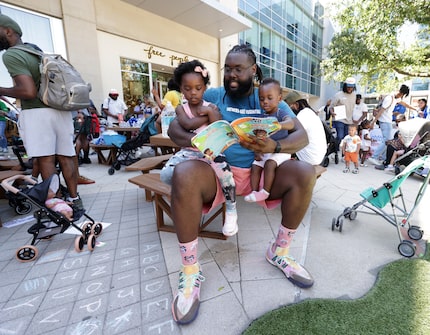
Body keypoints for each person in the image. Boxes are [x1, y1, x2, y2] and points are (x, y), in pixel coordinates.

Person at [167, 44, 316, 324]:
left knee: (305, 172)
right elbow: (174, 128)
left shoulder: (268, 97)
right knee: (184, 173)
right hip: (216, 173)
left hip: (261, 172)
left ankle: (279, 252)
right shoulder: (210, 95)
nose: (231, 75)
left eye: (238, 69)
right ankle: (190, 271)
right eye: (227, 68)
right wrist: (200, 142)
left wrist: (275, 144)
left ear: (253, 71)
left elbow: (301, 135)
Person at [0, 14, 84, 215]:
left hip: (37, 112)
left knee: (46, 160)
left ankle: (56, 205)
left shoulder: (11, 55)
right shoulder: (36, 51)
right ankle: (75, 200)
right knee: (67, 157)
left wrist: (2, 90)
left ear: (8, 31)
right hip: (60, 111)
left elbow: (28, 91)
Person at [159, 60, 239, 237]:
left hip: (211, 152)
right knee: (165, 174)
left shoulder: (211, 106)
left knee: (227, 175)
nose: (193, 92)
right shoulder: (182, 108)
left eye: (198, 88)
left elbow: (218, 124)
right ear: (181, 89)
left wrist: (211, 113)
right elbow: (187, 124)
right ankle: (182, 192)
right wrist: (208, 114)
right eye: (187, 88)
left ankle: (232, 208)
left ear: (204, 88)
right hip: (189, 152)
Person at [243, 78, 294, 203]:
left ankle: (265, 192)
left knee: (269, 164)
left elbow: (291, 123)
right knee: (255, 165)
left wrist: (280, 125)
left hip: (280, 152)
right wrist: (257, 151)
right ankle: (254, 191)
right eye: (261, 99)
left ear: (279, 98)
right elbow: (259, 137)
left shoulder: (280, 114)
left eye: (269, 98)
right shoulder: (262, 117)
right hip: (266, 151)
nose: (265, 102)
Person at [368, 84, 416, 166]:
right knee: (387, 141)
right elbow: (381, 111)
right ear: (400, 91)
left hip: (388, 121)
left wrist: (414, 108)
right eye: (401, 94)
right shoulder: (389, 98)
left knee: (389, 141)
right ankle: (374, 157)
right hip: (385, 121)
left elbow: (404, 103)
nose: (401, 96)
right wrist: (373, 122)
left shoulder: (396, 98)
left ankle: (383, 158)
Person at [284, 90, 327, 165]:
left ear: (296, 105)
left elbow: (290, 134)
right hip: (318, 155)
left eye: (288, 108)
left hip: (310, 158)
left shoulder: (303, 115)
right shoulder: (309, 112)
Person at [328, 77, 357, 152]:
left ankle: (343, 153)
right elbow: (331, 107)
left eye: (352, 87)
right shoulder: (338, 95)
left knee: (346, 137)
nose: (350, 88)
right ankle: (335, 151)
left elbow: (353, 108)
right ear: (345, 86)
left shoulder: (354, 95)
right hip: (339, 119)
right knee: (340, 136)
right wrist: (332, 112)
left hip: (349, 120)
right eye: (348, 86)